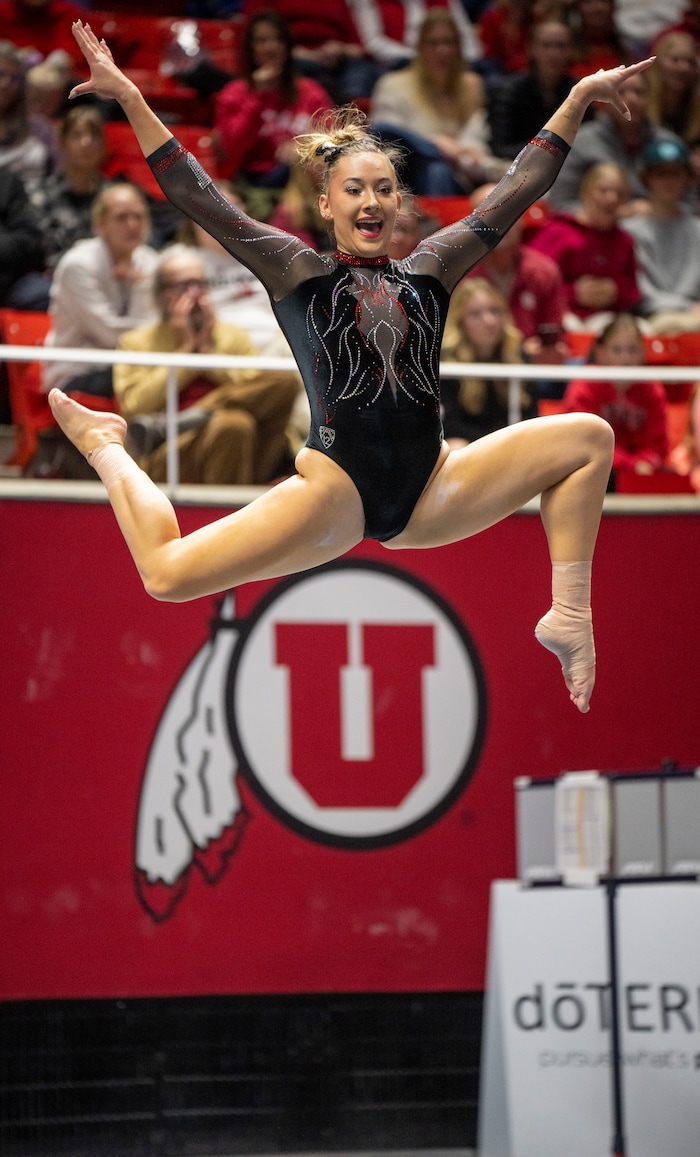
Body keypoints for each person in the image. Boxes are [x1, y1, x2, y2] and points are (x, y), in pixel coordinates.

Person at [49, 23, 655, 715]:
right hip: (336, 488)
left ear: (399, 201)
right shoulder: (297, 272)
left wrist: (576, 98)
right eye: (355, 190)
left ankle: (569, 614)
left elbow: (517, 189)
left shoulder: (430, 269)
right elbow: (197, 195)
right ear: (326, 203)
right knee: (166, 573)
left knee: (587, 439)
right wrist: (129, 94)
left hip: (430, 487)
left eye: (385, 189)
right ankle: (106, 445)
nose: (371, 202)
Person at [114, 246, 299, 487]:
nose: (194, 294)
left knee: (283, 382)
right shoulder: (136, 343)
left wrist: (206, 353)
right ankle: (183, 426)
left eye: (200, 285)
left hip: (251, 447)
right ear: (161, 294)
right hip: (168, 449)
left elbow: (260, 390)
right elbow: (135, 405)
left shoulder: (233, 337)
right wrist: (186, 354)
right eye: (183, 286)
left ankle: (192, 417)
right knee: (233, 424)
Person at [369, 9, 507, 195]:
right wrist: (436, 145)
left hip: (463, 175)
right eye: (433, 43)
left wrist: (460, 151)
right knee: (434, 168)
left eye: (449, 43)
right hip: (408, 178)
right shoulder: (392, 84)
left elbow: (477, 135)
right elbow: (385, 142)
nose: (442, 51)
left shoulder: (471, 84)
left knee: (441, 170)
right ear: (420, 48)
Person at [43, 182, 158, 396]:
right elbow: (109, 335)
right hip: (77, 372)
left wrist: (142, 284)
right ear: (100, 224)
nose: (133, 225)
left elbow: (153, 324)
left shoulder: (150, 261)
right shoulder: (78, 265)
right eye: (122, 217)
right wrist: (144, 286)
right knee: (161, 382)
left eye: (139, 217)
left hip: (131, 364)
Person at [213, 9, 331, 203]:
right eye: (262, 41)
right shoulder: (235, 93)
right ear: (249, 48)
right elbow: (230, 151)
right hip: (253, 185)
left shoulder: (311, 92)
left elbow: (333, 142)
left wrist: (303, 149)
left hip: (304, 185)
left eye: (278, 40)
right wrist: (257, 96)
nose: (271, 48)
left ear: (288, 46)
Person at [546, 69, 687, 214]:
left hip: (656, 228)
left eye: (639, 92)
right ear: (605, 99)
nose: (631, 100)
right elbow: (561, 204)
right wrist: (610, 214)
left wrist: (655, 210)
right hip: (595, 230)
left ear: (649, 99)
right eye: (621, 92)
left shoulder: (669, 143)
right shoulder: (581, 142)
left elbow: (689, 204)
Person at [528, 161, 641, 331]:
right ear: (585, 193)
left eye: (620, 193)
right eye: (603, 191)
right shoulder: (559, 232)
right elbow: (532, 281)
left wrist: (615, 292)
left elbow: (633, 290)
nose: (611, 199)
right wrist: (573, 293)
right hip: (562, 314)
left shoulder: (624, 240)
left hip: (608, 319)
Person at [562, 313, 669, 484]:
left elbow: (658, 445)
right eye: (617, 350)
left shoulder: (652, 387)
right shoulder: (586, 384)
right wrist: (630, 464)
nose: (625, 358)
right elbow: (584, 442)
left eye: (632, 350)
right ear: (600, 353)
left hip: (642, 471)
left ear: (643, 353)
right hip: (595, 470)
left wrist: (646, 462)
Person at [440, 277, 537, 447]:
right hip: (473, 446)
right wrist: (493, 444)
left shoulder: (518, 356)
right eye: (475, 314)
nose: (489, 321)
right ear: (460, 322)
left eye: (494, 311)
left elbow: (531, 417)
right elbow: (449, 425)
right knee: (455, 446)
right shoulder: (447, 362)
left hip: (515, 445)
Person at [621, 138, 700, 333]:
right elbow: (638, 289)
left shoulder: (697, 229)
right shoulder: (629, 231)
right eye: (661, 174)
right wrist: (685, 307)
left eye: (675, 173)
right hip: (649, 318)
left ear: (687, 178)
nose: (668, 181)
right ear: (647, 178)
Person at [487, 18, 580, 161]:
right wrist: (548, 147)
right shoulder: (509, 90)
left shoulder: (578, 91)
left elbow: (583, 142)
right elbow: (500, 149)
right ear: (531, 49)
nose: (554, 54)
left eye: (561, 46)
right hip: (513, 167)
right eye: (546, 45)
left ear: (571, 50)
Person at [0, 39, 53, 194]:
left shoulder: (39, 128)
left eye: (15, 78)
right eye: (0, 74)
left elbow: (56, 176)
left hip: (31, 209)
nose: (5, 84)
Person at [645, 31, 700, 147]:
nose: (684, 68)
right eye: (675, 60)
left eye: (691, 62)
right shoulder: (640, 99)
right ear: (658, 62)